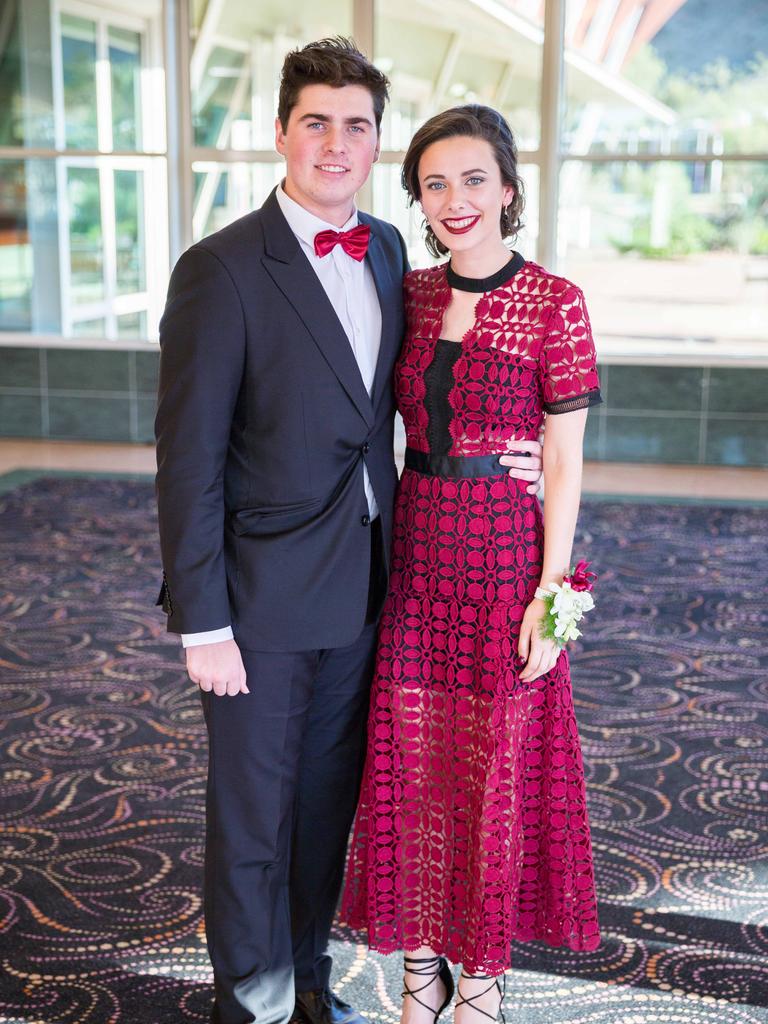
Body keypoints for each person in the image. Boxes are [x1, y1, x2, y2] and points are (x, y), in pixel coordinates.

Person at [154, 41, 542, 1024]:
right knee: (253, 821)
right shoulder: (221, 269)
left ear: (376, 143)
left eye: (357, 125)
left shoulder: (388, 253)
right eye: (315, 121)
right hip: (257, 603)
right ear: (280, 132)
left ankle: (308, 986)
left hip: (372, 590)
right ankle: (254, 1003)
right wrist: (203, 621)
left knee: (326, 813)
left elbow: (436, 385)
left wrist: (517, 449)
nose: (336, 143)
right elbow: (187, 457)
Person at [340, 105, 602, 1024]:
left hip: (503, 554)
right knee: (411, 758)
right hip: (414, 549)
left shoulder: (554, 301)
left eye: (474, 179)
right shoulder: (408, 291)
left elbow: (564, 461)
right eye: (436, 183)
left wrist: (552, 596)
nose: (455, 200)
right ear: (417, 196)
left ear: (509, 188)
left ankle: (481, 977)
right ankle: (421, 974)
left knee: (491, 767)